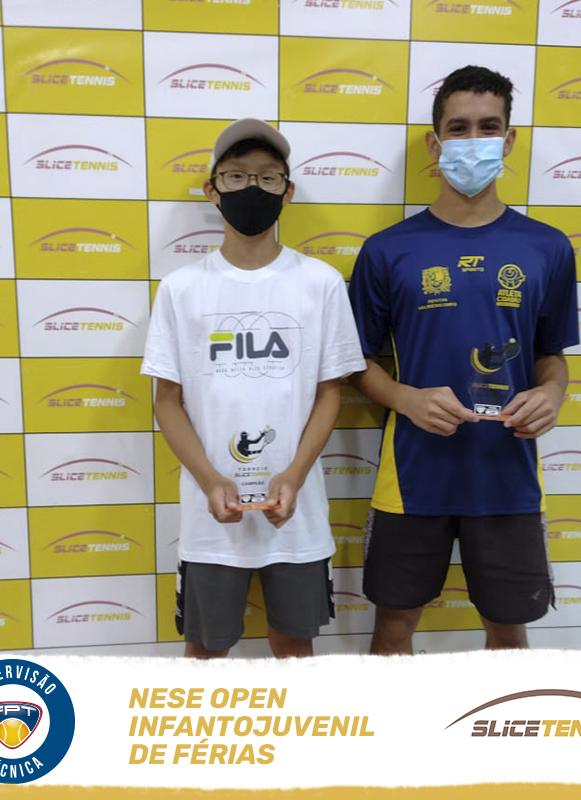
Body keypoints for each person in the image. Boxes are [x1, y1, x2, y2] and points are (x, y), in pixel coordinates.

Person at [348, 65, 579, 655]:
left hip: (508, 476)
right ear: (435, 143)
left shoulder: (548, 247)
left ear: (508, 140)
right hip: (412, 476)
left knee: (508, 630)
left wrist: (552, 393)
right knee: (393, 627)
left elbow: (552, 356)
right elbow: (358, 362)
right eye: (458, 128)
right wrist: (405, 398)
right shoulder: (387, 251)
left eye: (488, 127)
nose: (473, 140)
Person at [141, 119, 366, 659]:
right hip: (209, 516)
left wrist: (295, 473)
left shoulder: (320, 283)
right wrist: (210, 478)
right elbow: (166, 402)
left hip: (297, 511)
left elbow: (330, 393)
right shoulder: (181, 289)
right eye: (237, 176)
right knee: (205, 650)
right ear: (212, 189)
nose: (252, 188)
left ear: (287, 192)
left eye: (268, 178)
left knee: (294, 646)